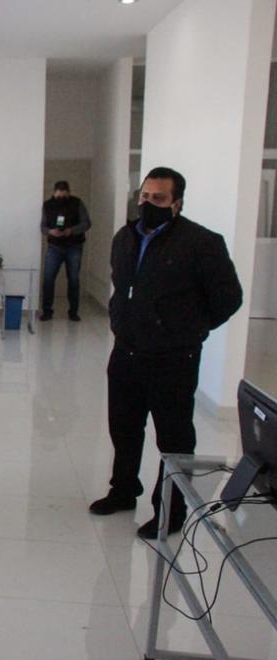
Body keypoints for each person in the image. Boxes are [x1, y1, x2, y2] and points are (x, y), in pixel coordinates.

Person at [88, 167, 242, 539]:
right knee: (124, 428)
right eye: (144, 196)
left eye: (158, 198)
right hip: (126, 351)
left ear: (176, 203)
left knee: (173, 438)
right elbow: (123, 285)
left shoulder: (201, 242)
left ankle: (171, 510)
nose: (148, 204)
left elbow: (228, 298)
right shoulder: (125, 237)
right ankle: (123, 489)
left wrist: (189, 329)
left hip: (173, 358)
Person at [40, 180, 92, 322]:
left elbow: (86, 223)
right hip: (54, 246)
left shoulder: (77, 203)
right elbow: (43, 227)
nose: (61, 199)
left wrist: (71, 231)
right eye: (58, 197)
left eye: (64, 196)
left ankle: (73, 312)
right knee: (48, 279)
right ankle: (47, 311)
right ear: (54, 193)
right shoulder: (47, 205)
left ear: (69, 193)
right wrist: (51, 231)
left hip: (74, 246)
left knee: (73, 279)